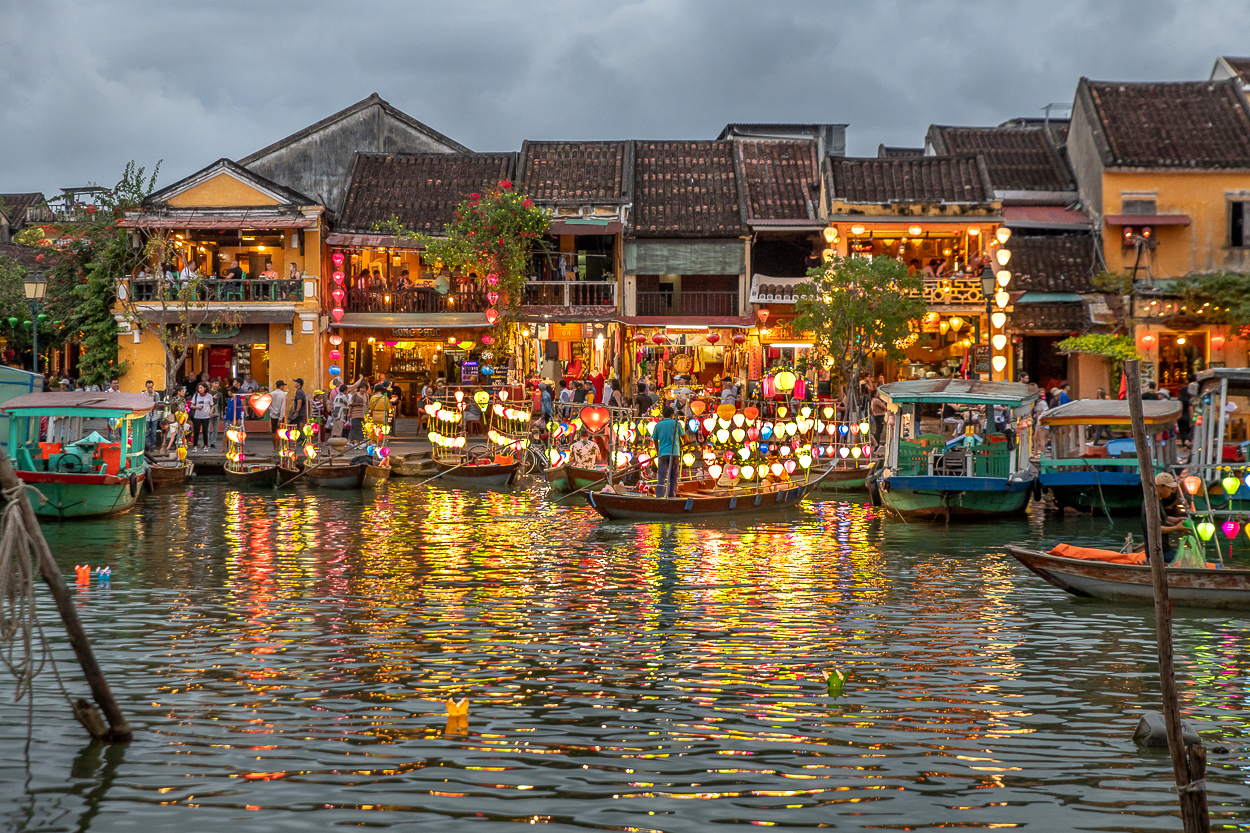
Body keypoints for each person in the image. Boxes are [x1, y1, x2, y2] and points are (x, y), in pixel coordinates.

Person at [1143, 472, 1188, 563]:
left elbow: (1163, 518)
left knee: (1185, 559)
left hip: (1163, 547)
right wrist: (1176, 528)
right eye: (1169, 488)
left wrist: (1177, 520)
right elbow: (1154, 528)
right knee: (1185, 562)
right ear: (1159, 486)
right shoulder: (1151, 504)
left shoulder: (1158, 501)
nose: (1171, 491)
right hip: (1158, 550)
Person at [652, 405, 685, 498]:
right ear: (671, 414)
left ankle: (659, 496)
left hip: (662, 453)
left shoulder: (658, 425)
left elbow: (654, 439)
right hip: (674, 453)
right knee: (673, 477)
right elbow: (685, 437)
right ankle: (672, 495)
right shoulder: (676, 424)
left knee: (661, 477)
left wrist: (658, 450)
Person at [190, 383, 213, 450]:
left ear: (205, 388)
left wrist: (211, 411)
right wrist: (197, 407)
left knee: (205, 431)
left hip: (206, 416)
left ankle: (205, 445)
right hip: (197, 416)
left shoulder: (209, 396)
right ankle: (195, 446)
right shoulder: (196, 396)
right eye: (199, 388)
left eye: (201, 388)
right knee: (196, 431)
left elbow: (212, 405)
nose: (200, 390)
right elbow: (191, 405)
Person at [269, 380, 288, 453]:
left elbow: (269, 405)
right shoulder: (283, 394)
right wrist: (280, 417)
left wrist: (275, 412)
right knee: (280, 432)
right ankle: (280, 447)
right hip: (280, 415)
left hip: (273, 414)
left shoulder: (271, 394)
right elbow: (283, 407)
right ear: (282, 386)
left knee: (273, 432)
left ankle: (275, 448)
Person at [208, 378, 223, 448]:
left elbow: (221, 404)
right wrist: (212, 398)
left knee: (215, 429)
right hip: (209, 411)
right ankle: (206, 443)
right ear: (212, 383)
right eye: (215, 383)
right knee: (207, 428)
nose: (216, 385)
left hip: (217, 411)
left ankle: (213, 443)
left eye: (218, 384)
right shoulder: (208, 393)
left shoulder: (220, 394)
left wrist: (222, 414)